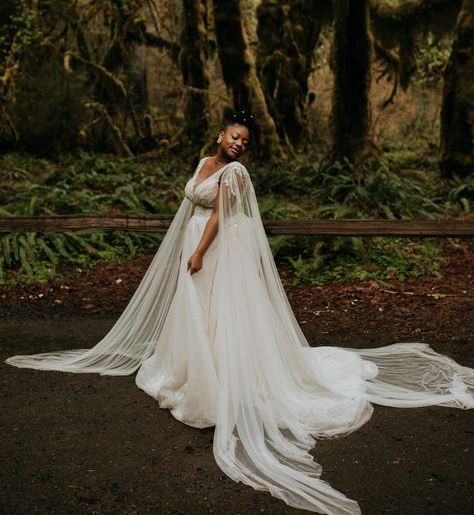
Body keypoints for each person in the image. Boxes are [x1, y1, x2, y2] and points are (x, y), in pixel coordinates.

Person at [6, 110, 474, 515]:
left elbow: (220, 217)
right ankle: (192, 366)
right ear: (220, 135)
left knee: (218, 312)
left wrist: (199, 253)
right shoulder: (204, 163)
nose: (238, 144)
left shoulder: (235, 174)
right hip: (194, 243)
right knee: (195, 314)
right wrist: (185, 248)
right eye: (234, 137)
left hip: (214, 250)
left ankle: (221, 374)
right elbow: (191, 202)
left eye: (245, 142)